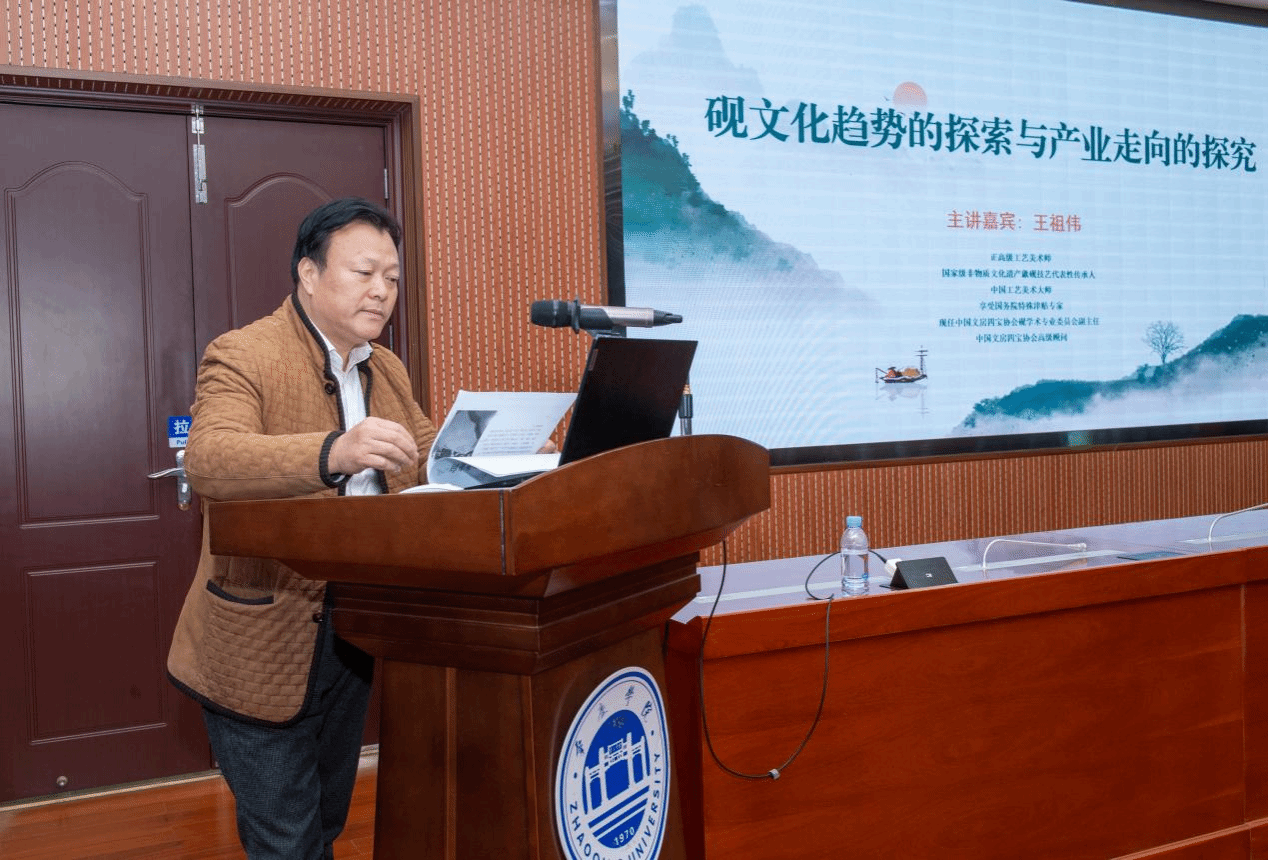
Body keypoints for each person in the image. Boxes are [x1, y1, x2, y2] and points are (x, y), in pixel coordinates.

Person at [167, 197, 437, 859]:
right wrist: (333, 452)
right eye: (364, 272)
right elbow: (210, 458)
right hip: (258, 639)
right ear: (309, 274)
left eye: (392, 277)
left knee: (325, 824)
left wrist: (504, 457)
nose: (382, 291)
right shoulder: (244, 353)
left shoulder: (386, 367)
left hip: (354, 631)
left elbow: (427, 458)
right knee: (286, 842)